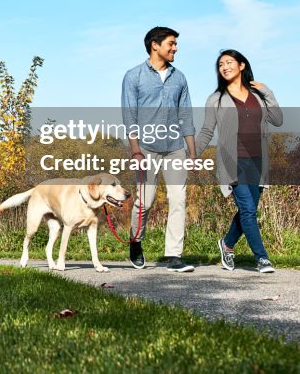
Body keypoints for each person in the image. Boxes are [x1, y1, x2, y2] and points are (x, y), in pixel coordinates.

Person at [196, 49, 283, 273]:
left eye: (229, 62)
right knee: (247, 210)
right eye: (220, 64)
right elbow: (207, 130)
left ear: (242, 65)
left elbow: (278, 120)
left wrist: (267, 91)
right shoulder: (216, 99)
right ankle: (262, 259)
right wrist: (191, 154)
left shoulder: (258, 96)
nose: (224, 67)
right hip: (232, 162)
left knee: (249, 210)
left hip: (258, 162)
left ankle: (227, 244)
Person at [121, 26, 198, 272]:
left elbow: (186, 116)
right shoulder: (133, 76)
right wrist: (135, 151)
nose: (175, 48)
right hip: (146, 148)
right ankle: (136, 243)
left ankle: (173, 255)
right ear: (155, 45)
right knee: (145, 201)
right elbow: (129, 116)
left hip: (175, 148)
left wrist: (193, 154)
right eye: (171, 44)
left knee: (179, 200)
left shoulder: (180, 78)